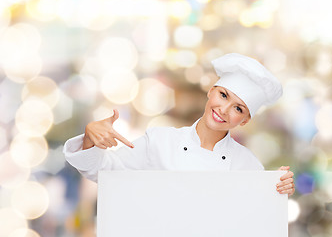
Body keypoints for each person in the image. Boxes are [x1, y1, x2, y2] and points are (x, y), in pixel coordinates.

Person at [63, 53, 295, 196]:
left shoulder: (248, 165)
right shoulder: (159, 141)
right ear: (211, 91)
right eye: (223, 95)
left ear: (245, 120)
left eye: (238, 108)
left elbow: (256, 217)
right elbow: (105, 173)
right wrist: (89, 140)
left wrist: (279, 188)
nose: (224, 110)